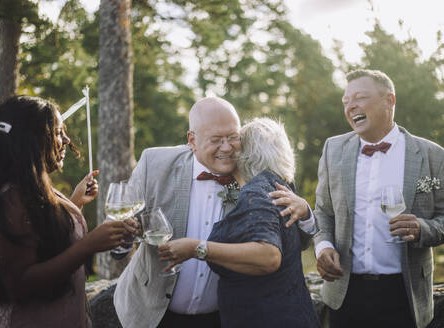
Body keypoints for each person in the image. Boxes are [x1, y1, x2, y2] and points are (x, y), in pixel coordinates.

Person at [114, 97, 316, 328]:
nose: (227, 147)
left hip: (221, 318)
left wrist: (305, 210)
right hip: (151, 314)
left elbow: (296, 243)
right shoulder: (155, 163)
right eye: (216, 140)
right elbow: (121, 230)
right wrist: (125, 236)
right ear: (192, 140)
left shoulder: (253, 176)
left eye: (232, 137)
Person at [314, 69, 444, 328]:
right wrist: (323, 246)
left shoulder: (435, 156)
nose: (351, 106)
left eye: (360, 98)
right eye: (346, 101)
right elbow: (323, 212)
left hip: (404, 295)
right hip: (345, 293)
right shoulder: (332, 150)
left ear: (389, 101)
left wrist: (422, 228)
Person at [0, 96, 133, 328]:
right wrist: (88, 245)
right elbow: (19, 282)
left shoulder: (31, 189)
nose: (67, 140)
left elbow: (43, 241)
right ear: (31, 141)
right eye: (58, 132)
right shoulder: (10, 199)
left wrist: (75, 204)